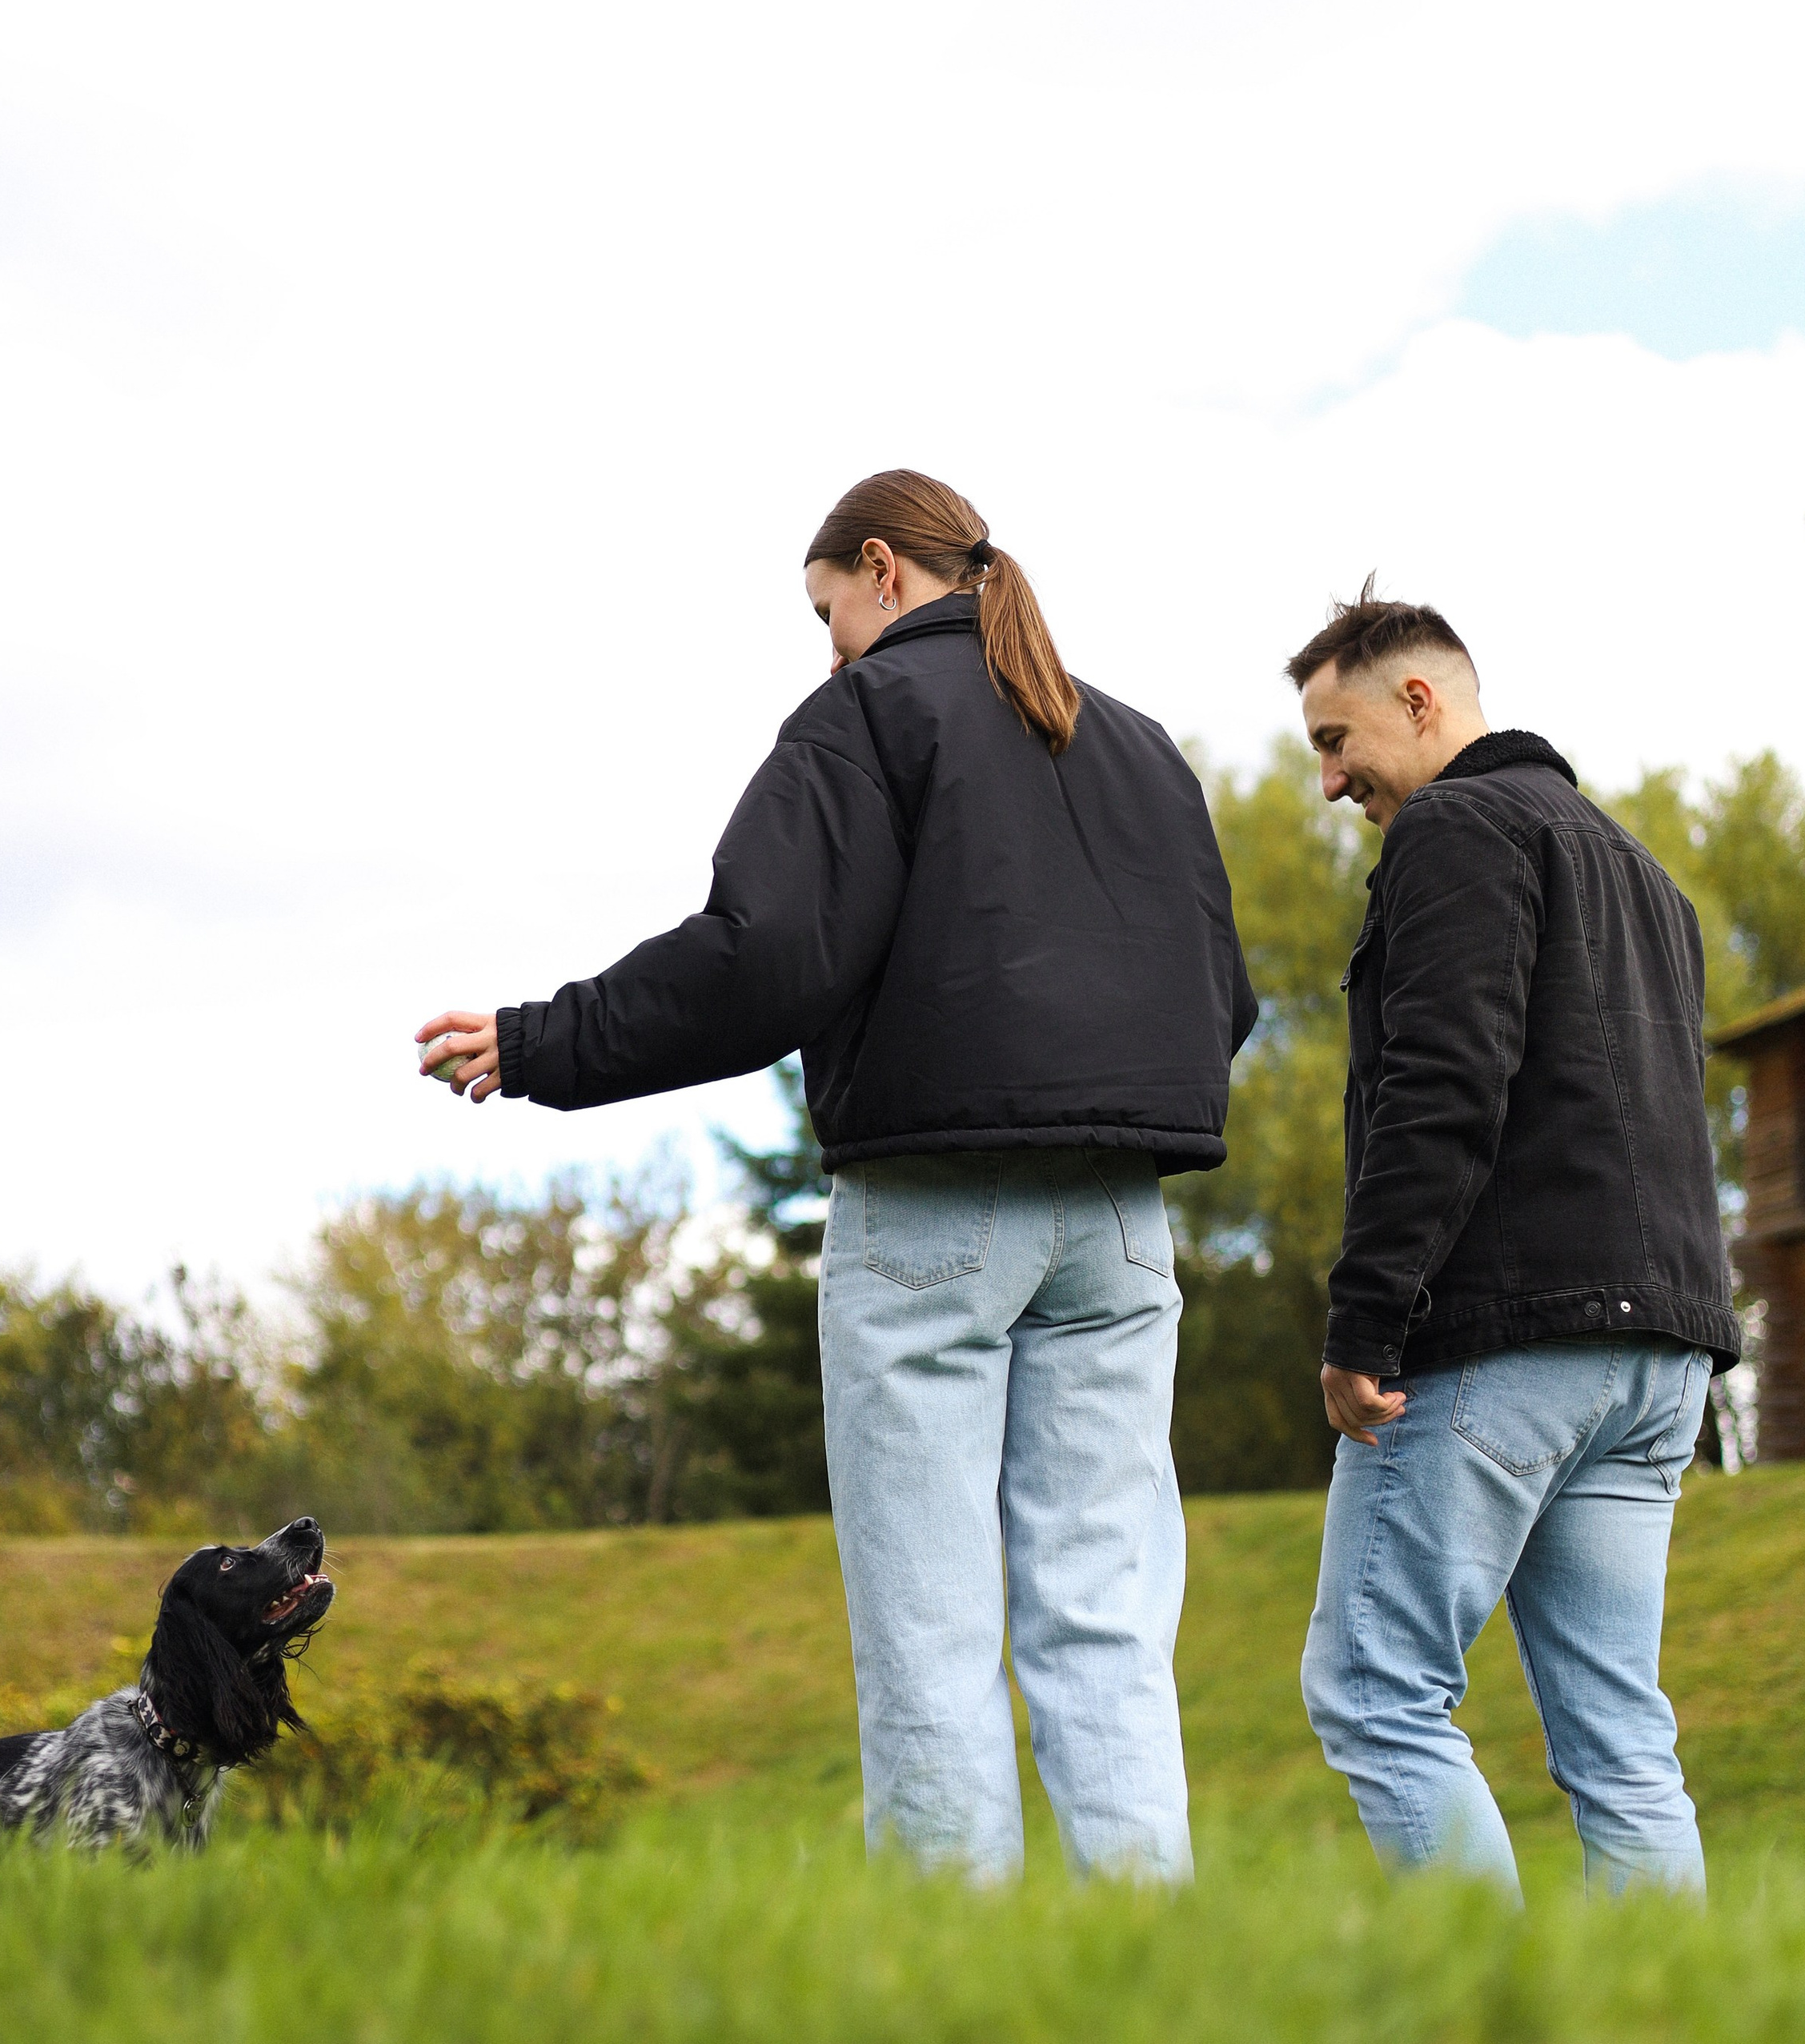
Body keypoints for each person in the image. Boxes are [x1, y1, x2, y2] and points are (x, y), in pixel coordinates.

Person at [418, 470, 1255, 1881]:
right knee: (1109, 1626)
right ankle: (1146, 1962)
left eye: (826, 612)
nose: (829, 648)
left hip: (934, 1213)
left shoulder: (867, 715)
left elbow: (758, 961)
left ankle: (944, 1978)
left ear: (882, 569)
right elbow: (1223, 997)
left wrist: (543, 1040)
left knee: (931, 1632)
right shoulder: (1138, 746)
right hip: (1122, 1224)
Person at [1287, 584, 1739, 1897]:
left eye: (1335, 740)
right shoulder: (1643, 873)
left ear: (1420, 699)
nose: (1330, 782)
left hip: (1506, 1339)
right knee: (1620, 1737)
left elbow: (1441, 1087)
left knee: (1374, 1688)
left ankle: (1493, 2006)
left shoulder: (1455, 830)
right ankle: (1673, 2021)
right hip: (1658, 1355)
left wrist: (1365, 1320)